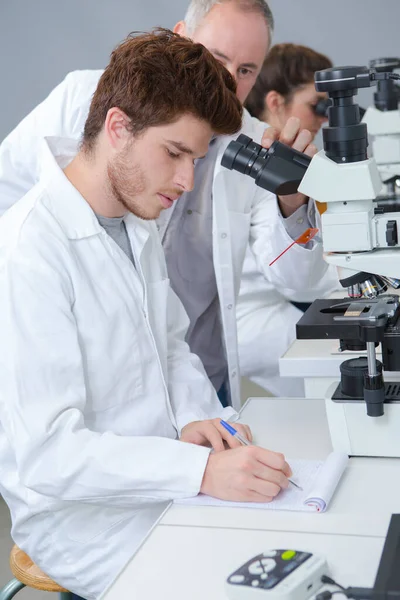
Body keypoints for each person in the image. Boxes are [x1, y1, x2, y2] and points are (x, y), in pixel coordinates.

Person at [0, 30, 293, 600]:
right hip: (87, 523)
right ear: (117, 128)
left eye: (196, 159)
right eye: (174, 154)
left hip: (162, 480)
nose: (186, 182)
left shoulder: (136, 224)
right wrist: (200, 472)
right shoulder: (26, 252)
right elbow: (48, 455)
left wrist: (191, 418)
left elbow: (172, 344)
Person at [0, 0, 337, 412]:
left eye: (247, 70)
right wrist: (30, 297)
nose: (228, 81)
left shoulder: (260, 142)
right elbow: (9, 191)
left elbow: (297, 282)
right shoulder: (88, 98)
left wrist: (292, 194)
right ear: (181, 38)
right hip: (102, 381)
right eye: (217, 58)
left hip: (195, 373)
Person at [237, 43, 340, 397]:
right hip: (252, 315)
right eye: (317, 106)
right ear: (276, 103)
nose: (325, 118)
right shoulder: (261, 161)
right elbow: (292, 276)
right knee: (341, 359)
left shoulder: (298, 156)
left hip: (285, 297)